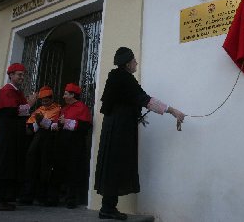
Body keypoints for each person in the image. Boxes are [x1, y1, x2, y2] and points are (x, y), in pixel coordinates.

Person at [94, 47, 185, 220]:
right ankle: (107, 208)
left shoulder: (117, 77)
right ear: (128, 64)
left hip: (114, 126)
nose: (136, 63)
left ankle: (108, 207)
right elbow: (144, 99)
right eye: (134, 61)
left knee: (113, 164)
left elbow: (125, 101)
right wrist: (172, 111)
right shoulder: (123, 78)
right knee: (115, 164)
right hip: (119, 129)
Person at [0, 63, 37, 211]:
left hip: (12, 135)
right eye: (19, 74)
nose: (22, 77)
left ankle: (3, 199)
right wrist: (30, 104)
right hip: (6, 136)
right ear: (11, 75)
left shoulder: (16, 92)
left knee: (8, 166)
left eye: (23, 74)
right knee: (2, 165)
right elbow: (10, 112)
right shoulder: (7, 91)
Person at [50, 83, 92, 209]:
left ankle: (71, 199)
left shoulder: (82, 108)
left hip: (75, 145)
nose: (63, 96)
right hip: (62, 143)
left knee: (73, 172)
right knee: (57, 171)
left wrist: (67, 122)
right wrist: (56, 125)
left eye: (66, 93)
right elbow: (59, 123)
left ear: (73, 95)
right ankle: (53, 198)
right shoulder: (64, 108)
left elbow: (85, 127)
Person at [19, 86, 61, 206]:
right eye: (42, 101)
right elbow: (30, 128)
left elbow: (58, 125)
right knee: (31, 167)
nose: (44, 103)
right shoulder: (38, 110)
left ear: (51, 98)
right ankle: (28, 195)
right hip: (36, 142)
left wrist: (44, 122)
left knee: (45, 169)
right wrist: (38, 123)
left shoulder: (58, 109)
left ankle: (43, 196)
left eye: (46, 100)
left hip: (50, 142)